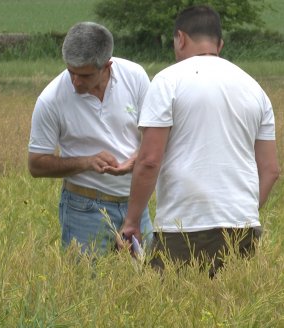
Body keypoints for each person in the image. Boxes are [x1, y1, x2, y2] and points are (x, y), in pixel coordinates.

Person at [119, 5, 280, 275]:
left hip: (184, 228)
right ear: (220, 44)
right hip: (243, 228)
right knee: (232, 312)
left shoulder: (168, 81)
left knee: (175, 312)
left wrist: (132, 221)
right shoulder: (254, 88)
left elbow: (149, 160)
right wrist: (243, 213)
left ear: (180, 38)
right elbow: (271, 170)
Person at [28, 22, 153, 254]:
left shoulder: (135, 77)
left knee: (146, 282)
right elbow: (36, 164)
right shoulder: (50, 99)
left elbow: (153, 137)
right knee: (86, 284)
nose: (75, 81)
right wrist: (85, 162)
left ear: (107, 65)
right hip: (83, 208)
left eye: (84, 75)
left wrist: (137, 159)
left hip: (136, 204)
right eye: (70, 71)